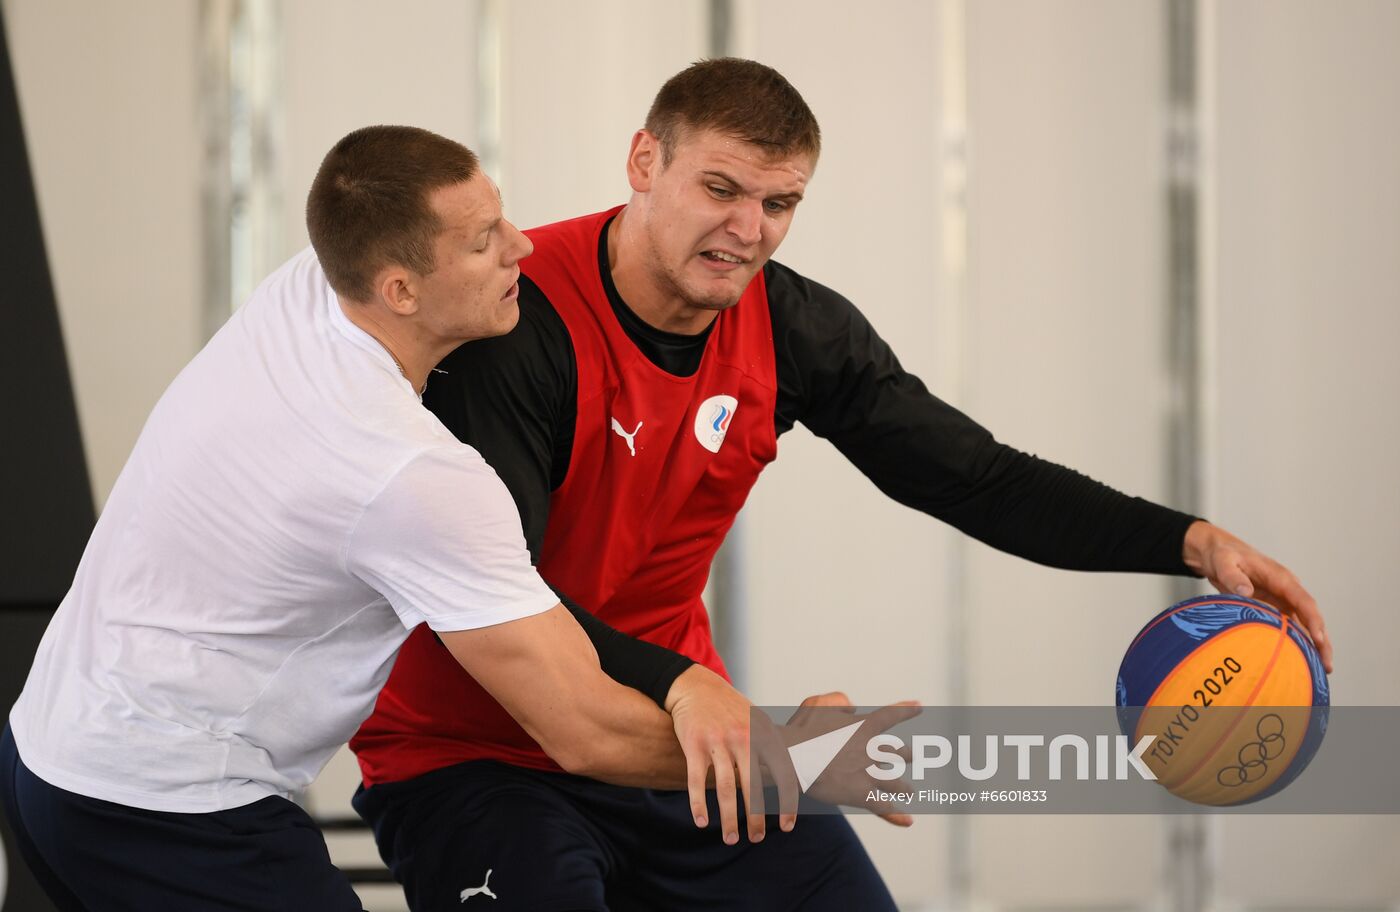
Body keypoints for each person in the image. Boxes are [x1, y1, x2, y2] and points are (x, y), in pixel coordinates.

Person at [350, 59, 1335, 911]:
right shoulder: (517, 324)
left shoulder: (795, 331)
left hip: (683, 735)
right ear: (643, 162)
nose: (747, 230)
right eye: (720, 188)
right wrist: (688, 686)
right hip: (474, 750)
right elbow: (500, 590)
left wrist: (1191, 542)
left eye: (778, 205)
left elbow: (976, 479)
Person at [0, 125, 791, 912]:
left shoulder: (312, 285)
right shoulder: (407, 474)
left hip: (46, 749)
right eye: (484, 242)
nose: (523, 246)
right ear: (400, 289)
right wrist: (805, 759)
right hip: (164, 811)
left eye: (503, 218)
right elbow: (582, 729)